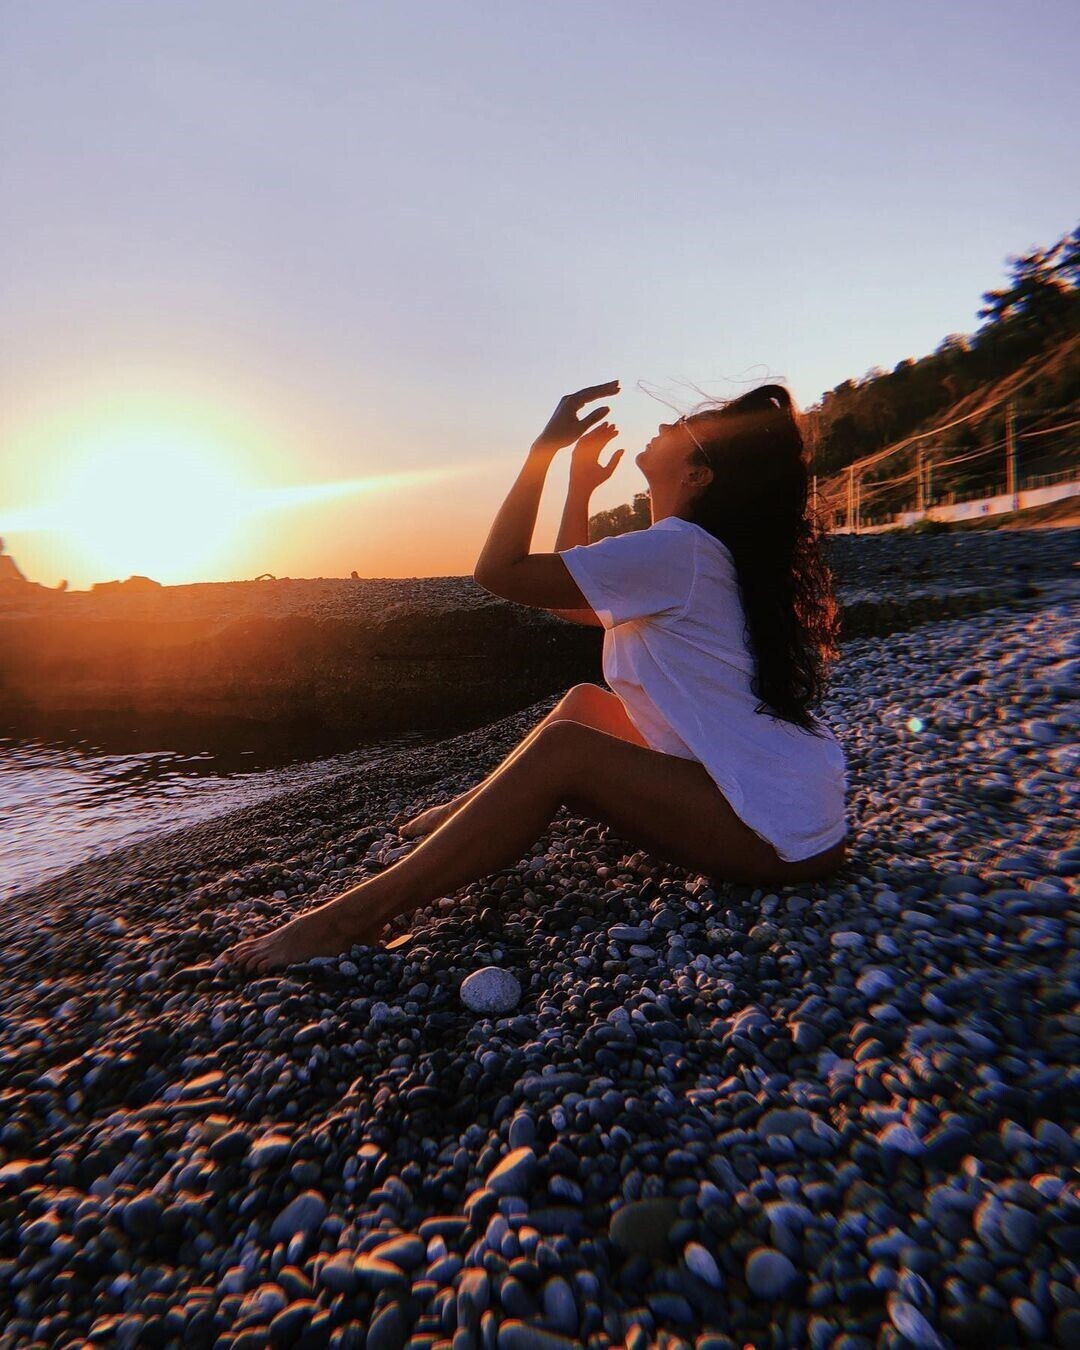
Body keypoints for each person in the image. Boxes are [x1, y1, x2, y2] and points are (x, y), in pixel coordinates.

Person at [222, 379, 848, 975]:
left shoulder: (677, 549)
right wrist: (579, 488)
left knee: (566, 751)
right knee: (584, 704)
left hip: (775, 834)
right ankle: (468, 813)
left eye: (681, 426)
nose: (664, 425)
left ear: (696, 475)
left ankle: (349, 920)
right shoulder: (684, 551)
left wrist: (543, 452)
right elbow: (574, 606)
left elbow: (499, 570)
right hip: (793, 806)